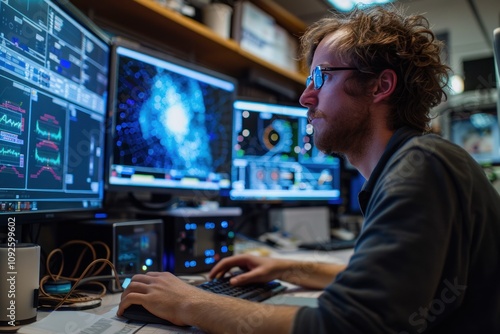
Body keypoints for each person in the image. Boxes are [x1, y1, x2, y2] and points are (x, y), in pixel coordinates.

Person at [117, 5, 500, 333]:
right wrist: (290, 267)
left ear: (380, 86)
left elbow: (347, 326)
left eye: (322, 76)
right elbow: (397, 289)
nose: (305, 96)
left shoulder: (422, 166)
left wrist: (190, 303)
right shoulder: (420, 161)